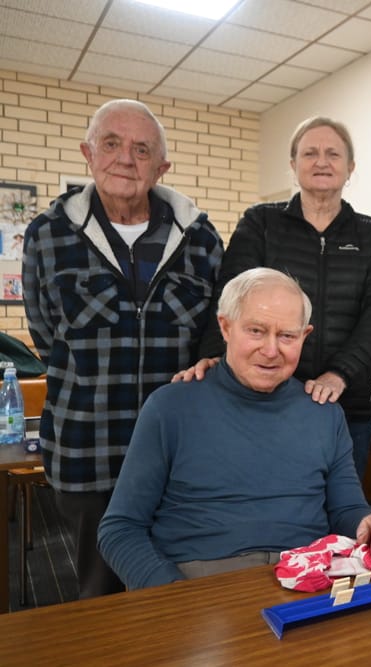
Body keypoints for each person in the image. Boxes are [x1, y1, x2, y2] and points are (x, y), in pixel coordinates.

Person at [98, 268, 371, 590]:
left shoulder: (324, 414)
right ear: (225, 327)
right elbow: (120, 529)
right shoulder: (170, 407)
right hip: (196, 583)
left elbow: (346, 510)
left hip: (307, 578)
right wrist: (172, 596)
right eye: (256, 331)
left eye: (287, 336)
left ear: (305, 335)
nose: (270, 350)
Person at [21, 99, 224, 597]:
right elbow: (47, 338)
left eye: (141, 149)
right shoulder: (47, 235)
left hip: (178, 457)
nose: (125, 159)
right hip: (86, 452)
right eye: (111, 144)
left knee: (176, 590)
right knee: (99, 595)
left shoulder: (199, 238)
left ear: (162, 167)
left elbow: (212, 335)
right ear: (89, 153)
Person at [185, 116, 371, 482]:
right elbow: (229, 299)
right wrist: (212, 358)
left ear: (350, 168)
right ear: (293, 164)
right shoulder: (261, 223)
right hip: (266, 399)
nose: (321, 161)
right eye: (309, 152)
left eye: (333, 153)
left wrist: (339, 375)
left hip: (346, 406)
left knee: (339, 518)